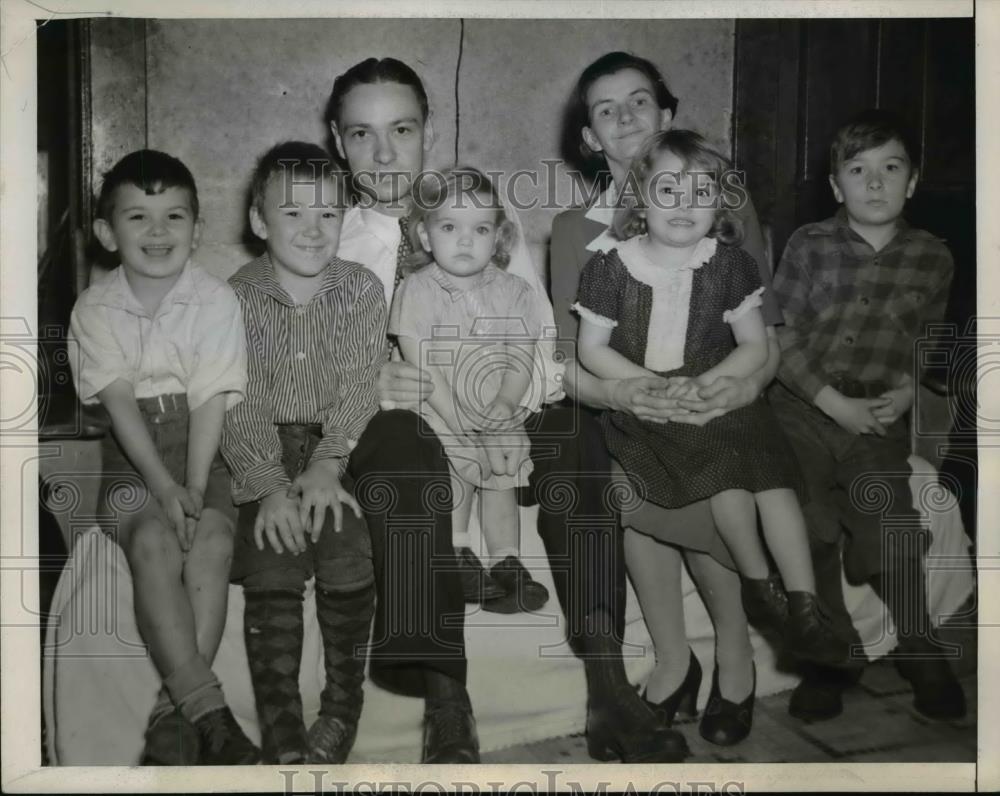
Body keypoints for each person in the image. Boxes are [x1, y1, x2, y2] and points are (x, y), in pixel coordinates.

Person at [328, 56, 688, 763]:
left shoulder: (490, 218)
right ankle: (446, 703)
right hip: (404, 422)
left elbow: (542, 346)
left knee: (572, 428)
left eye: (400, 128)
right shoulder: (332, 240)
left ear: (427, 130)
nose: (383, 151)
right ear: (339, 144)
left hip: (495, 406)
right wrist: (372, 380)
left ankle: (608, 684)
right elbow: (308, 361)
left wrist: (507, 403)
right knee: (403, 443)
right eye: (361, 135)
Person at [549, 51, 784, 746]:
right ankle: (674, 660)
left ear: (669, 115)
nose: (626, 117)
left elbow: (767, 340)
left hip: (723, 392)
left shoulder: (726, 203)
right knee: (623, 473)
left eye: (640, 100)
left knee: (713, 464)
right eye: (605, 109)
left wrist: (734, 390)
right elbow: (569, 363)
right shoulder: (573, 232)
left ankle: (735, 660)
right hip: (624, 401)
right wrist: (632, 397)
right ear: (590, 138)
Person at [574, 128, 849, 665]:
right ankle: (759, 585)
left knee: (773, 480)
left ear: (720, 203)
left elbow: (752, 344)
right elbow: (592, 350)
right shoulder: (608, 267)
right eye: (669, 191)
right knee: (726, 481)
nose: (684, 206)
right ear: (640, 198)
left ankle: (805, 606)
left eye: (701, 193)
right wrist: (640, 386)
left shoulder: (731, 265)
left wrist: (724, 382)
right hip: (649, 403)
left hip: (717, 389)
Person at [770, 109, 966, 722]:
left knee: (891, 522)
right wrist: (829, 402)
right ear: (836, 186)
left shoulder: (934, 258)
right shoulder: (809, 244)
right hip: (802, 408)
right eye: (858, 170)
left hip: (878, 414)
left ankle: (920, 645)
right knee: (810, 524)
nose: (875, 183)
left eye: (891, 168)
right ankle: (831, 658)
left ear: (913, 182)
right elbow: (781, 336)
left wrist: (909, 391)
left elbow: (928, 340)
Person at [68, 149, 257, 764]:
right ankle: (208, 712)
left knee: (210, 541)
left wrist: (195, 488)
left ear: (197, 229)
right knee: (152, 542)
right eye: (138, 217)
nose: (157, 233)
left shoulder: (215, 301)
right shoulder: (95, 309)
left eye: (174, 217)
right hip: (134, 457)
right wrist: (163, 488)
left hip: (205, 448)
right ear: (106, 232)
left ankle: (171, 722)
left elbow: (209, 403)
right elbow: (120, 407)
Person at [221, 142, 386, 764]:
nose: (313, 230)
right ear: (260, 221)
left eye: (329, 214)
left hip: (333, 448)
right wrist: (266, 485)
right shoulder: (232, 297)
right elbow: (237, 397)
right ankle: (282, 726)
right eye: (292, 214)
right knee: (274, 554)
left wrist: (326, 463)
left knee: (345, 544)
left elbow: (360, 381)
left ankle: (342, 709)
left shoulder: (361, 290)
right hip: (257, 447)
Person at [390, 166, 549, 613]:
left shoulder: (515, 291)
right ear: (424, 234)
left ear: (498, 238)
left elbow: (522, 354)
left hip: (494, 404)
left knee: (500, 473)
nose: (464, 240)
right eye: (449, 227)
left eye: (479, 229)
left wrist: (504, 404)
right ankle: (458, 553)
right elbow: (416, 354)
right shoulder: (417, 288)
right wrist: (460, 418)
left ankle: (506, 562)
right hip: (438, 404)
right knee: (456, 465)